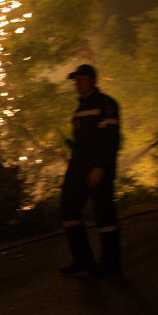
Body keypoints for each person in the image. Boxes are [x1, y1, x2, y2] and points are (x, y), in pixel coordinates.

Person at [60, 64, 122, 276]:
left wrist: (100, 167)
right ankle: (83, 259)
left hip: (99, 168)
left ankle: (110, 264)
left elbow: (110, 139)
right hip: (79, 167)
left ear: (93, 80)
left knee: (104, 214)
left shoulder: (106, 105)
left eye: (81, 78)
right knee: (68, 207)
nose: (77, 82)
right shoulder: (78, 110)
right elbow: (83, 142)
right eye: (75, 79)